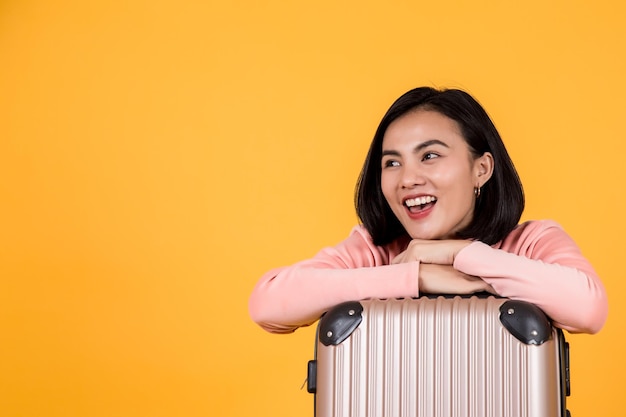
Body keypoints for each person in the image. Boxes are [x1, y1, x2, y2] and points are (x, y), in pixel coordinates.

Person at [248, 86, 608, 335]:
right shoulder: (375, 250)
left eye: (430, 156)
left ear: (481, 169)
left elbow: (588, 309)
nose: (408, 179)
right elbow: (268, 302)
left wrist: (460, 254)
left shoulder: (532, 242)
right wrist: (414, 278)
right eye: (392, 163)